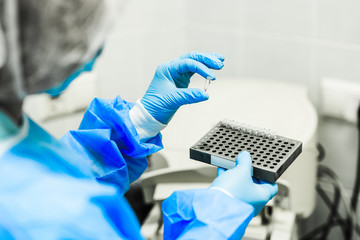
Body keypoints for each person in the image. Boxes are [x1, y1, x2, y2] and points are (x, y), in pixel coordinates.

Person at [0, 0, 278, 239]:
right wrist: (220, 215)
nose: (91, 40)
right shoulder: (54, 223)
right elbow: (50, 205)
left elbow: (53, 178)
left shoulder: (10, 131)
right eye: (70, 22)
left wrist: (140, 120)